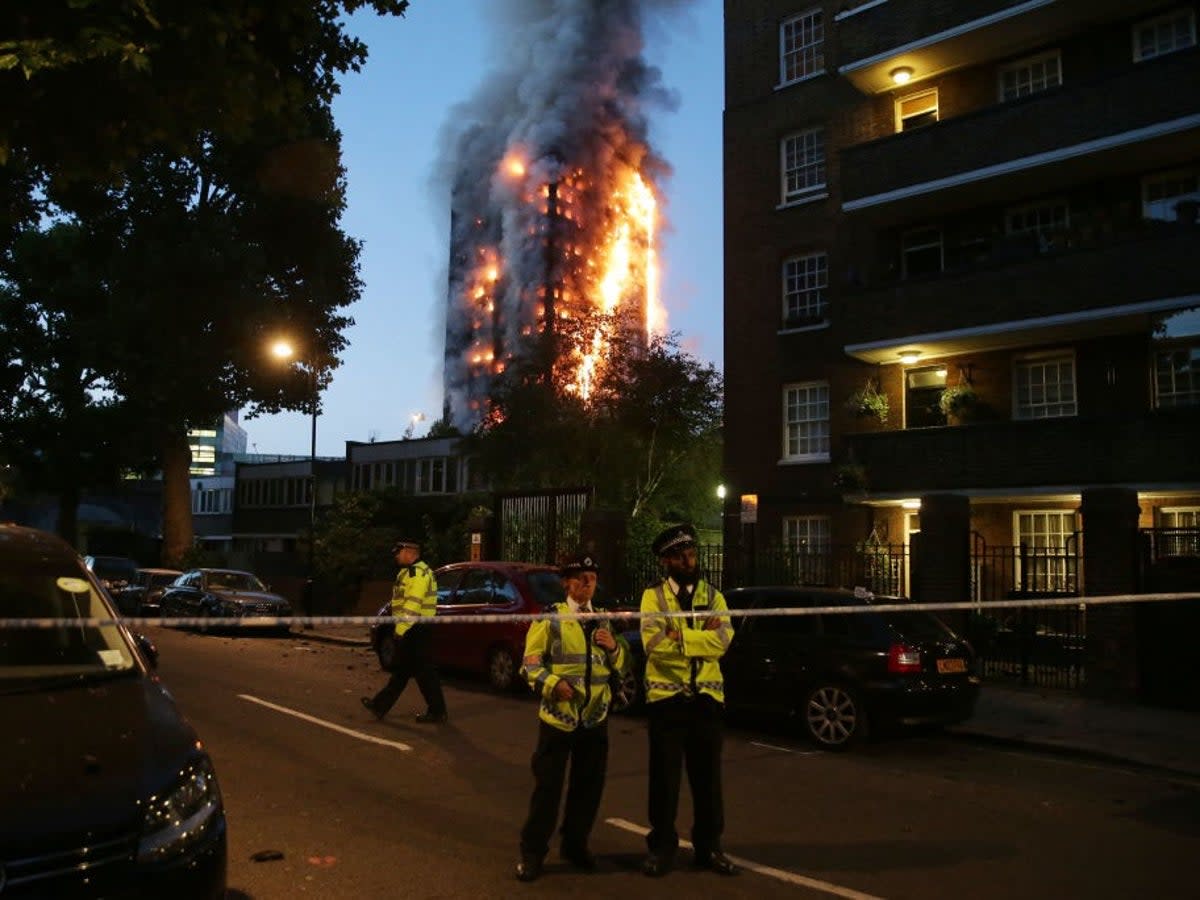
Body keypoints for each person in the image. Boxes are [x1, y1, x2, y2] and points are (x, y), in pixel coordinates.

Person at [515, 553, 629, 883]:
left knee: (588, 789)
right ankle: (533, 852)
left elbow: (622, 669)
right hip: (558, 718)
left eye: (592, 579)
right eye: (581, 579)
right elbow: (530, 665)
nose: (588, 584)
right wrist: (553, 684)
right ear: (567, 583)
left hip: (595, 718)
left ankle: (575, 846)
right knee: (548, 790)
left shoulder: (604, 620)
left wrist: (613, 650)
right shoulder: (551, 617)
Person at [640, 523, 738, 877]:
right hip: (666, 702)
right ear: (666, 560)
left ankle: (709, 848)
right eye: (681, 555)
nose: (689, 559)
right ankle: (662, 848)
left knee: (708, 780)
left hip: (706, 701)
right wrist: (699, 638)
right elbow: (654, 646)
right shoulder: (653, 597)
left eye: (692, 553)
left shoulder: (714, 596)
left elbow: (723, 641)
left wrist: (679, 636)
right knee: (664, 780)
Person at [361, 539, 448, 724]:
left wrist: (400, 629)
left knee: (419, 672)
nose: (396, 556)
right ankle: (380, 705)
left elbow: (412, 605)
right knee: (406, 671)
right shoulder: (408, 573)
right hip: (414, 627)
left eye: (399, 553)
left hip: (416, 628)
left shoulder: (418, 574)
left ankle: (437, 712)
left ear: (409, 552)